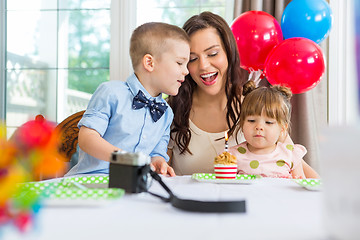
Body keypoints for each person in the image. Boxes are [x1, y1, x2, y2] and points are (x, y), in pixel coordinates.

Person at [167, 11, 319, 178]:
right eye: (192, 59)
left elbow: (300, 168)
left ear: (229, 52)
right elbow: (157, 174)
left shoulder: (256, 103)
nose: (203, 65)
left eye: (212, 54)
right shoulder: (170, 111)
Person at [66, 22, 190, 177]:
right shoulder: (111, 92)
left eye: (186, 64)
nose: (186, 71)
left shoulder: (166, 113)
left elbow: (157, 152)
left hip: (131, 185)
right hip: (90, 182)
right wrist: (124, 158)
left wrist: (158, 161)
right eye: (180, 63)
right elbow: (87, 139)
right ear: (149, 63)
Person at [228, 81, 306, 178]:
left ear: (282, 128)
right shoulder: (232, 156)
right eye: (251, 121)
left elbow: (300, 186)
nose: (259, 127)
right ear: (242, 124)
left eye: (268, 122)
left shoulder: (290, 155)